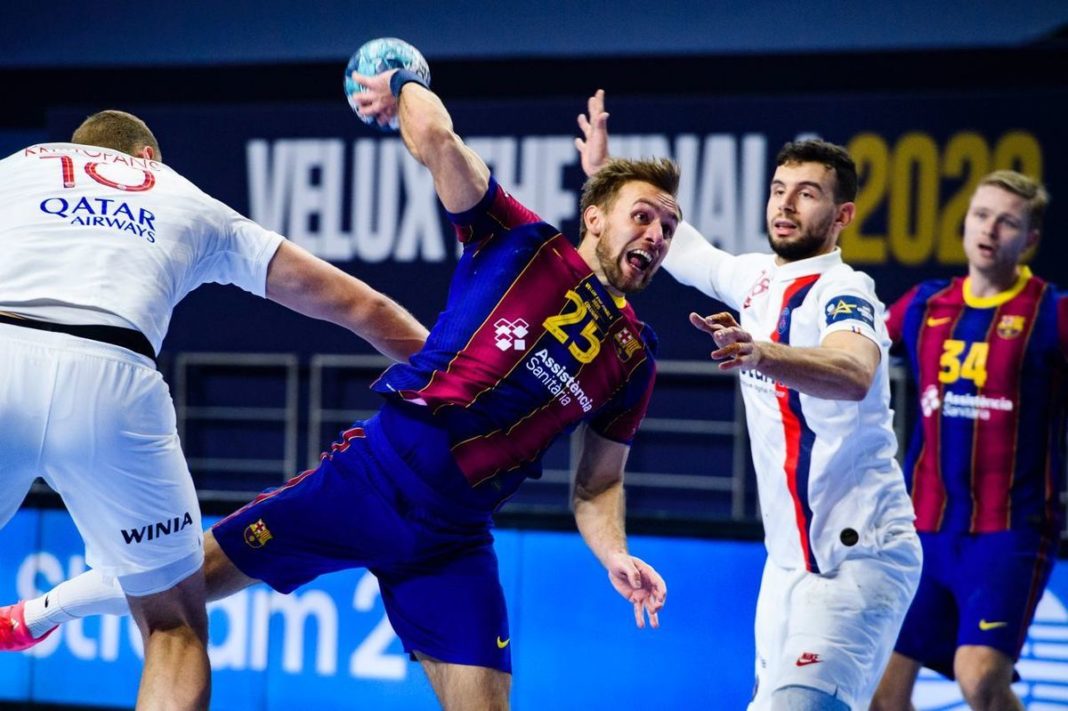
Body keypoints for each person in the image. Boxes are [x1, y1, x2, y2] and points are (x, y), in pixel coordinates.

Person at [5, 75, 673, 709]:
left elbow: (598, 485)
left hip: (455, 536)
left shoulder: (635, 359)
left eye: (668, 229)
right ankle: (38, 613)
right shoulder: (521, 240)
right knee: (183, 585)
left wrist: (614, 551)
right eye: (642, 217)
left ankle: (34, 614)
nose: (656, 236)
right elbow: (436, 140)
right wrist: (404, 83)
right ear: (593, 216)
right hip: (371, 478)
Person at [0, 110, 429, 710]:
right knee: (172, 626)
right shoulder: (182, 195)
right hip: (113, 374)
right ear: (148, 158)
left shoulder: (17, 169)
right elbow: (361, 306)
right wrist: (456, 378)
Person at [575, 90, 922, 711]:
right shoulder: (756, 278)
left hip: (856, 556)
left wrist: (762, 353)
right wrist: (605, 172)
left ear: (842, 215)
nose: (785, 204)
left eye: (806, 194)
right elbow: (683, 247)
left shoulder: (847, 290)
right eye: (778, 189)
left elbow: (853, 372)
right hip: (786, 566)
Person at [870, 171, 1062, 711]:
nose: (989, 230)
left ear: (1030, 240)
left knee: (978, 679)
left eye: (1007, 222)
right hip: (922, 529)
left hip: (1009, 533)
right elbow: (855, 352)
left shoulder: (1052, 313)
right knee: (881, 696)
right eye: (981, 215)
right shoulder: (924, 305)